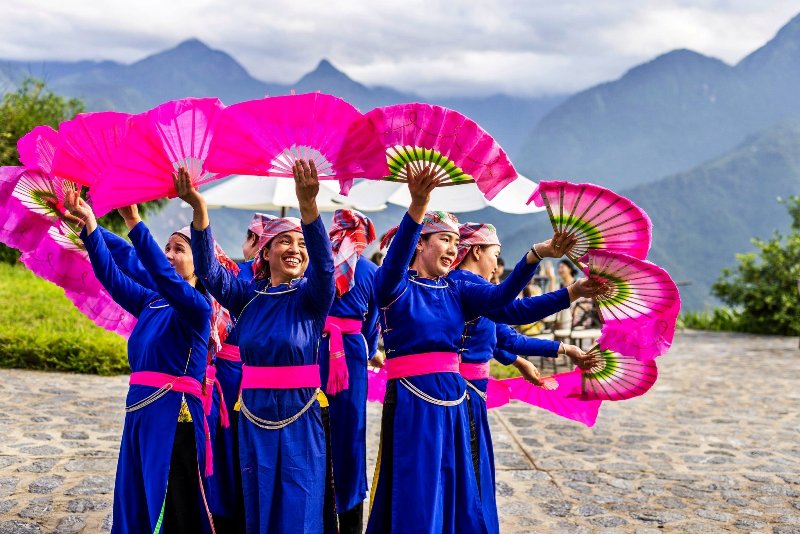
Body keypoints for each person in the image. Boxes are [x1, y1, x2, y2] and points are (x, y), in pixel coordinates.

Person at [366, 165, 573, 534]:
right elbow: (395, 260)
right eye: (443, 239)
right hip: (412, 402)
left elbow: (506, 300)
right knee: (416, 489)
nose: (451, 249)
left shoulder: (458, 290)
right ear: (420, 244)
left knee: (456, 489)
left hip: (454, 400)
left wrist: (538, 254)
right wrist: (417, 207)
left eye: (454, 241)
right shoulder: (394, 288)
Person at [177, 160, 336, 533]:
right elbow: (210, 271)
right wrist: (199, 209)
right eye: (285, 241)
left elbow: (326, 269)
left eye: (301, 243)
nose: (295, 248)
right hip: (254, 413)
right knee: (260, 501)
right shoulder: (246, 295)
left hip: (302, 412)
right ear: (265, 252)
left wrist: (308, 207)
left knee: (300, 500)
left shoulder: (312, 297)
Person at [64, 193, 214, 533]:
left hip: (173, 416)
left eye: (180, 249)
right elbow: (113, 280)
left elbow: (161, 274)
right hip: (139, 413)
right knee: (135, 495)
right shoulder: (151, 303)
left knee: (172, 499)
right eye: (168, 247)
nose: (170, 255)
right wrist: (90, 229)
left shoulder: (197, 309)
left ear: (199, 263)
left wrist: (134, 222)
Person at [449, 221, 606, 533]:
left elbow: (507, 339)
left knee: (471, 468)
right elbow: (516, 311)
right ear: (477, 251)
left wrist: (563, 349)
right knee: (465, 470)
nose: (497, 262)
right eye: (496, 253)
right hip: (461, 393)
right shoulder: (463, 284)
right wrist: (543, 262)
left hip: (473, 393)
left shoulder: (476, 291)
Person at [320, 209, 379, 533]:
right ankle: (351, 518)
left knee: (316, 428)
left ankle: (320, 511)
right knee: (351, 434)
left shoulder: (317, 268)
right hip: (353, 354)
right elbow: (372, 326)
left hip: (317, 351)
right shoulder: (370, 272)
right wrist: (366, 346)